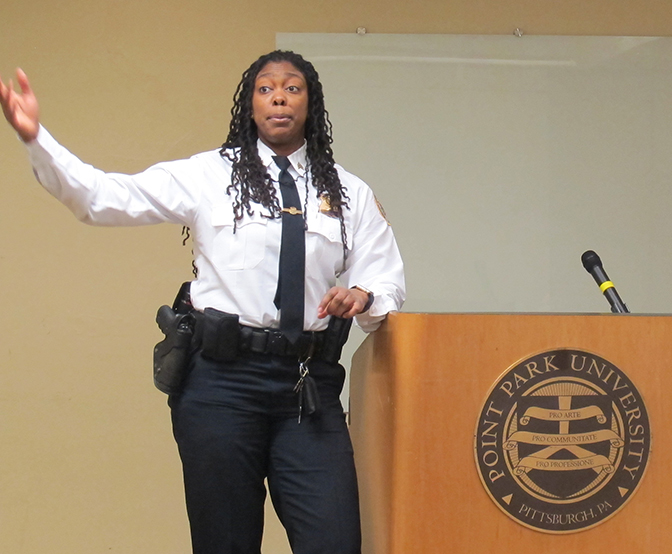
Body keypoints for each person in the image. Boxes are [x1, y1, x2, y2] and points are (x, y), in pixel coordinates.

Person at [1, 50, 405, 554]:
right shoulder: (210, 175)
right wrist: (36, 138)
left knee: (335, 540)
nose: (278, 96)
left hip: (308, 387)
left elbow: (384, 278)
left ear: (311, 102)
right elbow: (102, 198)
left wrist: (361, 295)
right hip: (221, 384)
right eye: (265, 88)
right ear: (251, 104)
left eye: (292, 87)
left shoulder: (348, 192)